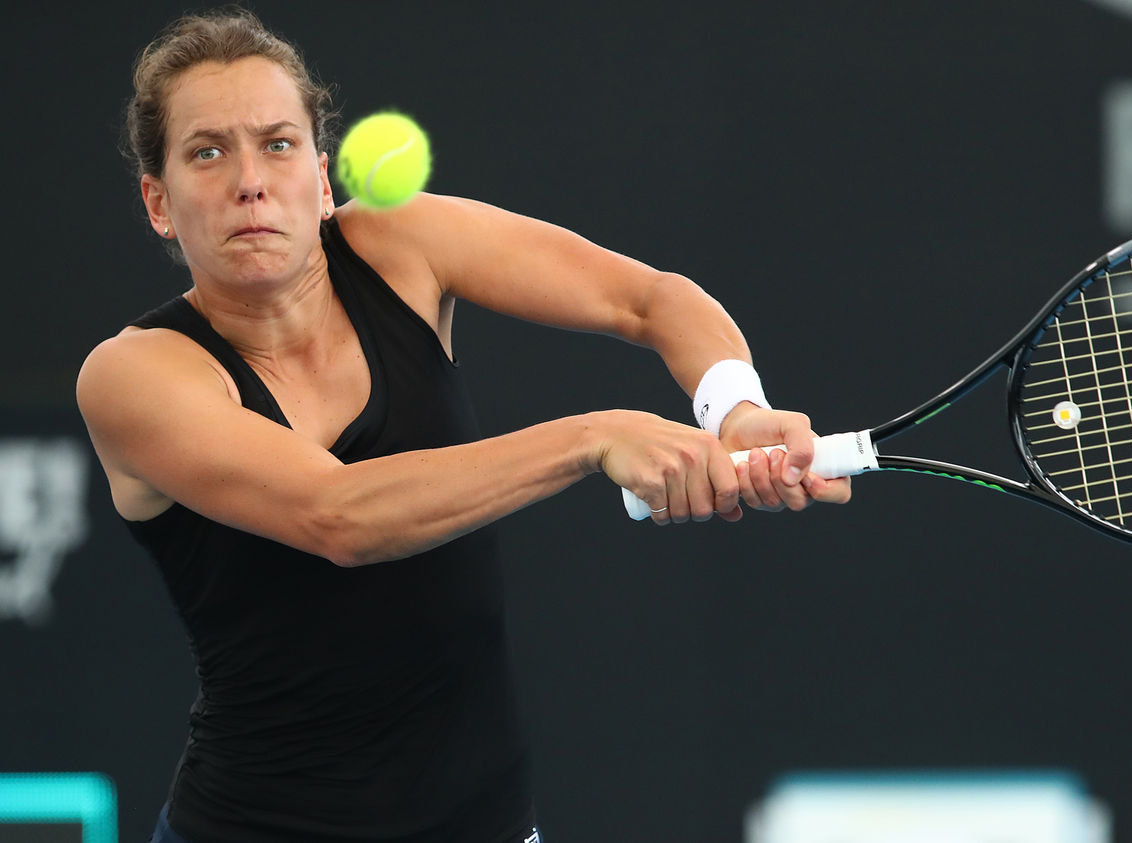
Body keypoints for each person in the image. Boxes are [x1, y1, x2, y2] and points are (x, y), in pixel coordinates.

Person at [76, 8, 851, 843]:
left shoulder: (401, 242)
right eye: (207, 152)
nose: (250, 180)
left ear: (322, 177)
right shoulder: (134, 375)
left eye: (277, 144)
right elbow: (338, 516)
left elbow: (649, 299)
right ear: (159, 202)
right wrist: (593, 437)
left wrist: (733, 407)